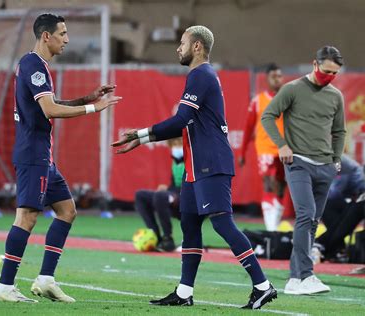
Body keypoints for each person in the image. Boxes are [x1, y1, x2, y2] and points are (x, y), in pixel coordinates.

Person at [112, 25, 276, 309]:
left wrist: (140, 134)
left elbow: (180, 120)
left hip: (211, 162)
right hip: (195, 165)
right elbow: (183, 124)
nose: (178, 48)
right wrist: (142, 138)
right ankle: (184, 292)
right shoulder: (199, 76)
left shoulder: (201, 75)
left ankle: (262, 286)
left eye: (183, 43)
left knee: (222, 223)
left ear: (197, 46)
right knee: (189, 224)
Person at [0, 13, 121, 303]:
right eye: (62, 33)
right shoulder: (32, 64)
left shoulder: (39, 66)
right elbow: (50, 110)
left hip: (43, 157)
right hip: (32, 155)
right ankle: (4, 287)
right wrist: (94, 109)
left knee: (67, 210)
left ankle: (46, 279)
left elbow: (49, 105)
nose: (67, 39)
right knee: (26, 217)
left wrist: (86, 99)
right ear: (46, 36)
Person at [261, 46, 346, 295]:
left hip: (325, 166)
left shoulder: (335, 96)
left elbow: (339, 131)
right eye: (327, 71)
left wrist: (336, 159)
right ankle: (306, 275)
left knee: (312, 222)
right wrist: (282, 145)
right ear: (314, 64)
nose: (329, 76)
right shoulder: (292, 89)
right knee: (306, 215)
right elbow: (268, 116)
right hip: (298, 162)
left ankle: (295, 280)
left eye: (335, 73)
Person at [239, 63, 285, 231]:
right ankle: (271, 230)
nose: (277, 79)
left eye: (279, 76)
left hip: (285, 149)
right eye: (274, 76)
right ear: (267, 79)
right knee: (268, 184)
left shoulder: (289, 100)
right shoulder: (258, 101)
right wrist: (242, 152)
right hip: (265, 148)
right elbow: (248, 127)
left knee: (280, 188)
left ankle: (274, 227)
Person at [134, 137, 184, 252]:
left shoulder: (193, 159)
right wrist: (167, 189)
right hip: (175, 194)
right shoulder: (176, 162)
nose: (177, 147)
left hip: (190, 196)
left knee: (160, 196)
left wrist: (168, 193)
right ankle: (156, 236)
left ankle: (168, 239)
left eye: (180, 143)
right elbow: (174, 184)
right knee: (140, 195)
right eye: (174, 144)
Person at [314, 155, 365, 262]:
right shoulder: (325, 161)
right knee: (328, 207)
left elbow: (334, 192)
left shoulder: (344, 165)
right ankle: (336, 248)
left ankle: (322, 244)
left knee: (353, 209)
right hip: (353, 198)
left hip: (358, 199)